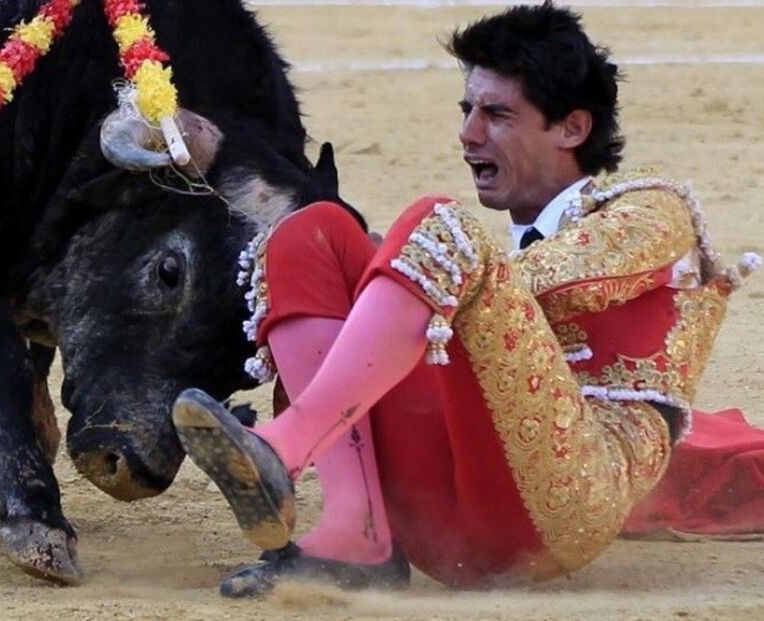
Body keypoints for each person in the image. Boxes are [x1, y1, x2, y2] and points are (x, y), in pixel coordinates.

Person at [171, 1, 761, 597]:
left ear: (572, 128)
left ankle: (286, 447)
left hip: (568, 503)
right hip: (448, 511)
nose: (468, 133)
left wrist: (402, 275)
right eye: (468, 109)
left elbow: (547, 280)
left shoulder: (653, 209)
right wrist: (222, 158)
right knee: (312, 233)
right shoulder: (476, 259)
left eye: (497, 114)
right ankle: (357, 537)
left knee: (434, 225)